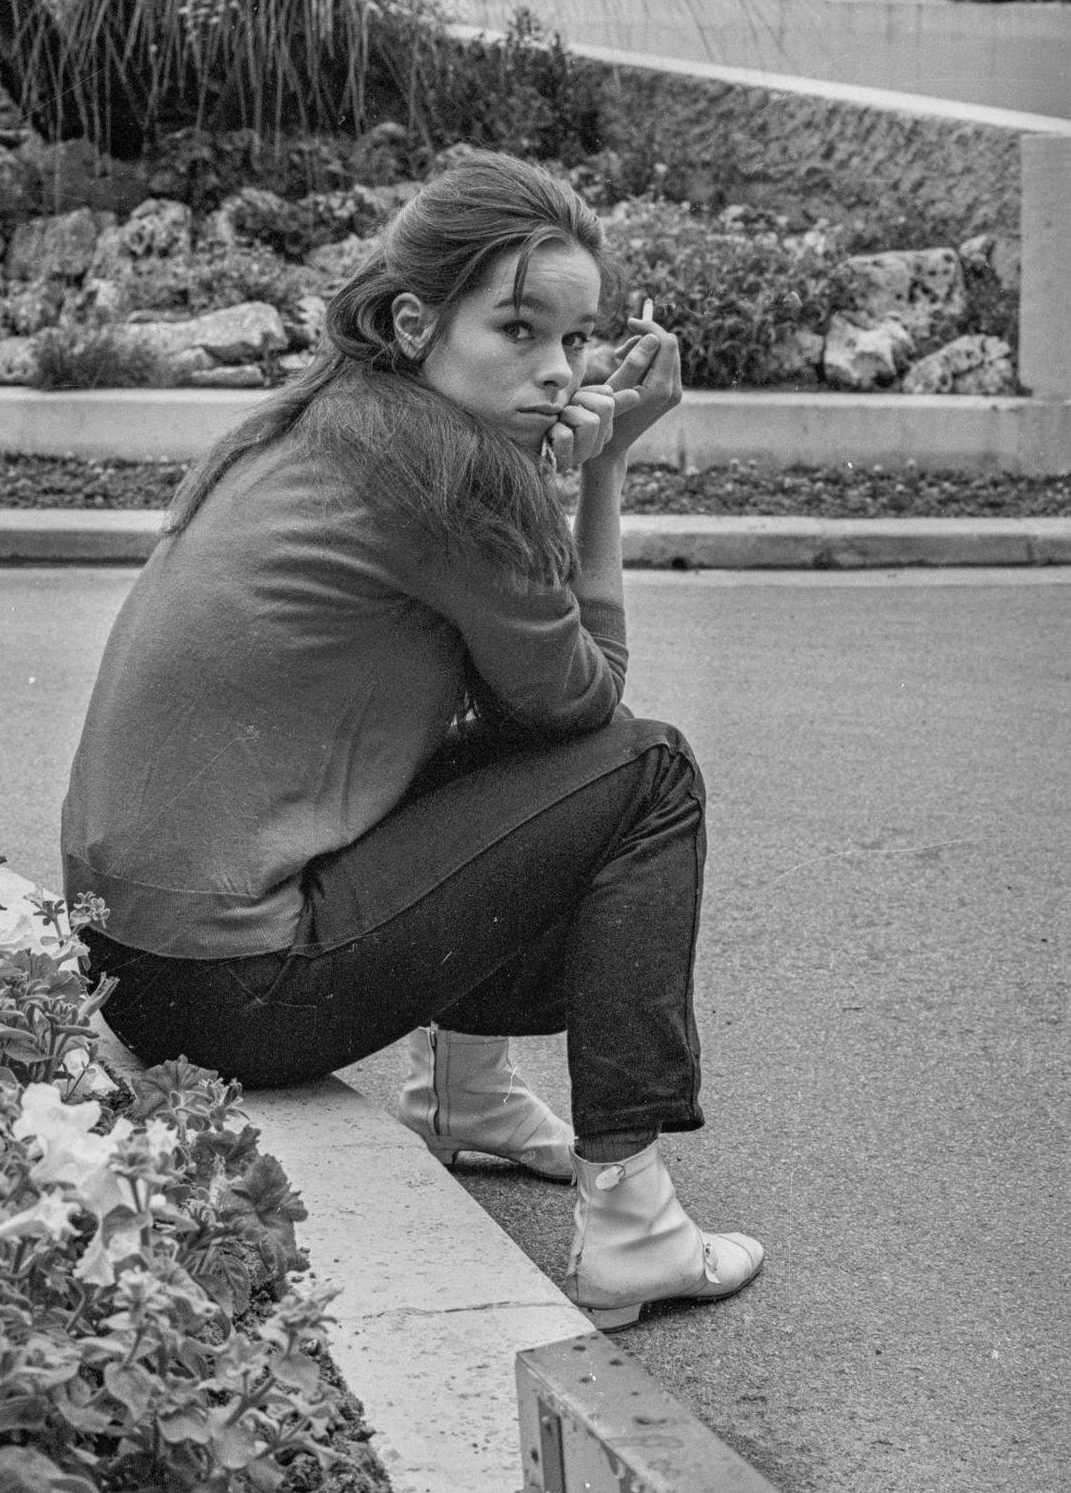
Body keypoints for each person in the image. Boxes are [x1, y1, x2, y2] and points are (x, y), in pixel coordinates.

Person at [62, 149, 762, 1330]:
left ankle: (472, 1102)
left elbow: (518, 734)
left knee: (522, 762)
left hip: (137, 972)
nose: (558, 371)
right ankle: (633, 1223)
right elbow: (589, 710)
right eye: (519, 330)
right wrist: (605, 474)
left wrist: (566, 470)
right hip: (239, 992)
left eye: (578, 340)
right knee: (650, 773)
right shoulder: (450, 479)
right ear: (413, 319)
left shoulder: (336, 424)